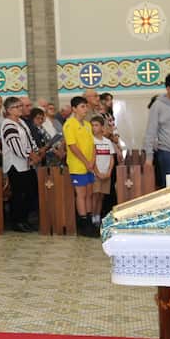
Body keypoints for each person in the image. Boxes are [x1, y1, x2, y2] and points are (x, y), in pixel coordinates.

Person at [0, 96, 39, 233]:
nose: (20, 109)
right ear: (9, 110)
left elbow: (30, 139)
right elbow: (15, 145)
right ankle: (17, 221)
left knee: (29, 193)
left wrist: (35, 152)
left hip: (26, 164)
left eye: (20, 106)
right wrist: (30, 154)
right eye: (16, 107)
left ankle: (25, 219)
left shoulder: (21, 122)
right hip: (15, 165)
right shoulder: (8, 124)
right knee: (19, 194)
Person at [64, 96, 98, 237]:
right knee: (81, 194)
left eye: (86, 106)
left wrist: (92, 161)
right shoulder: (69, 124)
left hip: (89, 165)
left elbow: (93, 145)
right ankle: (83, 224)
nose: (86, 109)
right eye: (82, 106)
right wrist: (85, 161)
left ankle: (90, 221)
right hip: (78, 165)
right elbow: (72, 146)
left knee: (89, 193)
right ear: (74, 109)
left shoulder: (88, 125)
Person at [90, 115, 118, 226]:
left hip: (106, 174)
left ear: (102, 127)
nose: (94, 128)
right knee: (95, 196)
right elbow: (92, 159)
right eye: (92, 125)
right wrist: (97, 173)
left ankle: (97, 216)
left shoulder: (107, 142)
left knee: (101, 196)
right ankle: (92, 217)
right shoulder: (91, 141)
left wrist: (109, 172)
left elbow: (111, 158)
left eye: (96, 125)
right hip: (96, 174)